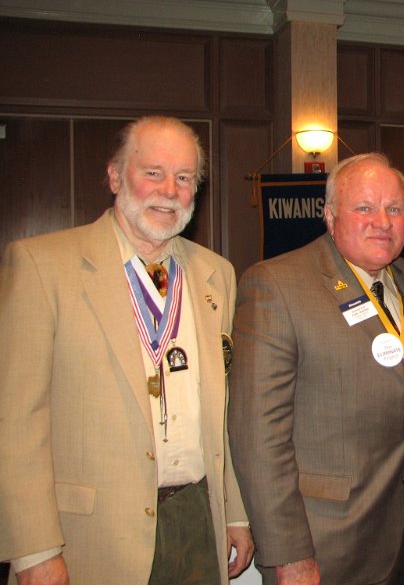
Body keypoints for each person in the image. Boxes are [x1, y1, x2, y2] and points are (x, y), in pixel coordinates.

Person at [0, 116, 254, 584]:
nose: (170, 190)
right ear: (116, 176)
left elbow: (224, 414)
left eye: (184, 178)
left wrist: (235, 513)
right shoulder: (43, 265)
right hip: (89, 537)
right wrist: (33, 549)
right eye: (153, 172)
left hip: (199, 519)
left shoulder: (216, 274)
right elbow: (15, 421)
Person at [228, 153, 404, 585]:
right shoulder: (277, 284)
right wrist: (289, 554)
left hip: (401, 534)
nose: (382, 221)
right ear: (329, 215)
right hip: (323, 544)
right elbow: (257, 433)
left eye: (394, 209)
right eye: (364, 208)